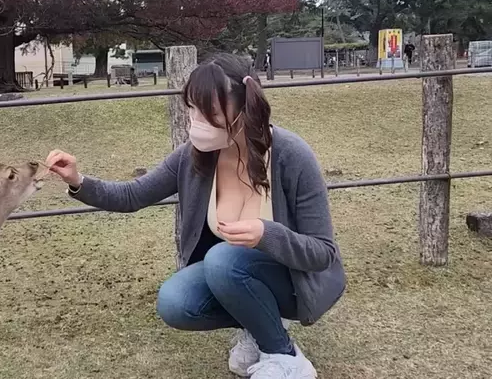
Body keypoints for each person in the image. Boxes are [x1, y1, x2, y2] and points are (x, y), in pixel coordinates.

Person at [46, 53, 346, 379]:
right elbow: (132, 195)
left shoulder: (291, 155)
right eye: (192, 109)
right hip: (235, 276)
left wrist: (266, 234)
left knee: (222, 260)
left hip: (294, 283)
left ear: (244, 109)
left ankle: (286, 357)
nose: (197, 121)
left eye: (210, 113)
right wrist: (77, 180)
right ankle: (257, 328)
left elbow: (323, 254)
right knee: (175, 301)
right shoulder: (194, 157)